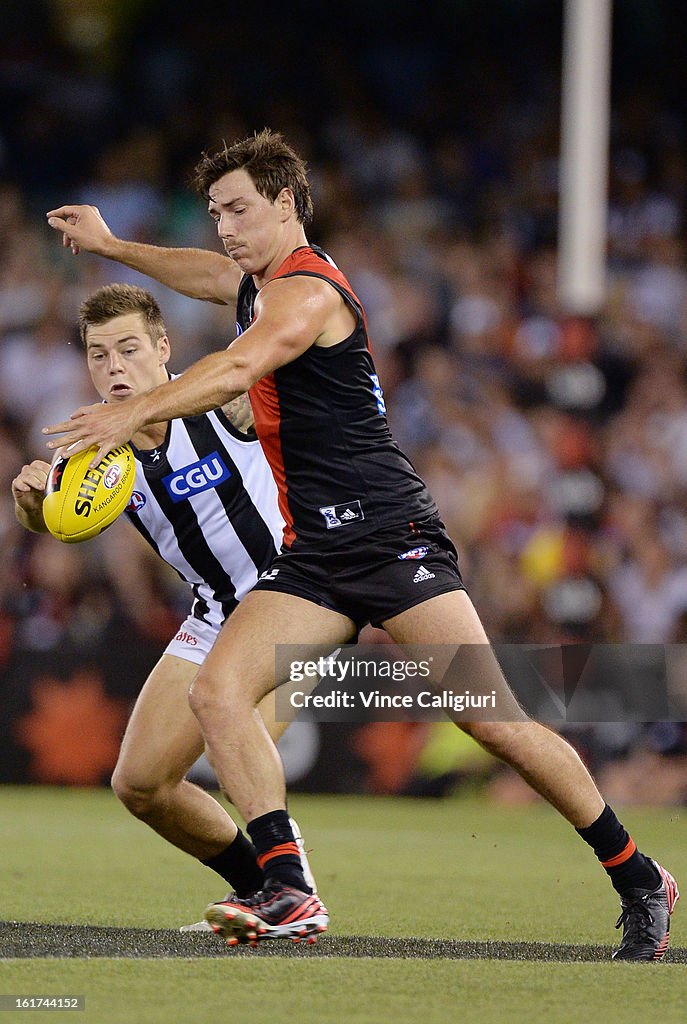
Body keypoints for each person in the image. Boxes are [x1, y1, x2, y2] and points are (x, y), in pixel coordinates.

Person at [44, 129, 678, 959]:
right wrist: (114, 246)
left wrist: (128, 412)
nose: (225, 228)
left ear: (285, 205)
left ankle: (637, 875)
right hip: (314, 555)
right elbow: (209, 277)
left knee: (494, 723)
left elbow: (240, 368)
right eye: (214, 212)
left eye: (238, 210)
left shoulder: (306, 294)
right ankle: (288, 889)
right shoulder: (260, 284)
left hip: (389, 534)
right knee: (218, 693)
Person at [12, 281, 318, 934]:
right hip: (212, 614)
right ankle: (260, 892)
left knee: (239, 741)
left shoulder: (222, 401)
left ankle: (290, 894)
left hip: (291, 601)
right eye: (99, 355)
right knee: (140, 784)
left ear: (163, 348)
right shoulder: (94, 449)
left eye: (128, 349)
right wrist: (33, 501)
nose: (113, 367)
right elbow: (57, 525)